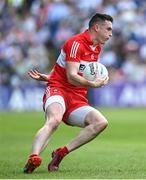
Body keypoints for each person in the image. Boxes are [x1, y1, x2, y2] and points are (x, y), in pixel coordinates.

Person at [23, 13, 113, 173]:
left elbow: (72, 68)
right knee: (54, 120)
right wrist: (94, 83)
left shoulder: (97, 47)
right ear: (96, 27)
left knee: (100, 123)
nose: (110, 34)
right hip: (59, 89)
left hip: (77, 97)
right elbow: (71, 76)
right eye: (108, 29)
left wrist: (49, 75)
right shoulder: (75, 43)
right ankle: (33, 157)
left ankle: (61, 153)